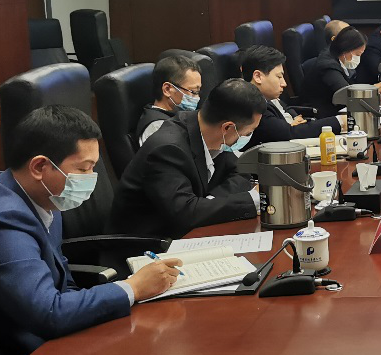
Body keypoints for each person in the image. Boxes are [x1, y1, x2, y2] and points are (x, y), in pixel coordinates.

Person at [0, 106, 182, 355]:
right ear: (39, 166)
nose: (92, 178)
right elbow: (49, 314)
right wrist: (133, 288)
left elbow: (62, 284)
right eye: (83, 169)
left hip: (28, 336)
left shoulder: (41, 198)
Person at [108, 78, 265, 239]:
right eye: (248, 132)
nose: (247, 137)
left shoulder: (211, 132)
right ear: (227, 127)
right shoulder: (167, 150)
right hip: (147, 242)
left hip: (187, 231)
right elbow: (185, 214)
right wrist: (252, 200)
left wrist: (208, 203)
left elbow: (240, 172)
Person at [241, 45, 340, 147]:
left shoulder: (267, 97)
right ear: (258, 76)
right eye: (279, 76)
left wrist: (293, 119)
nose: (284, 83)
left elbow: (287, 109)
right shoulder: (252, 106)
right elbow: (288, 134)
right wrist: (339, 122)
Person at [301, 26, 381, 115]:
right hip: (322, 112)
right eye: (357, 55)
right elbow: (346, 95)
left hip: (336, 108)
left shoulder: (337, 54)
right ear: (346, 49)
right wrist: (371, 91)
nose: (358, 58)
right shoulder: (328, 67)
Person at [137, 53, 202, 146]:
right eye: (193, 91)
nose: (197, 98)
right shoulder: (157, 128)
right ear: (167, 89)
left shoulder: (178, 116)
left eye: (198, 92)